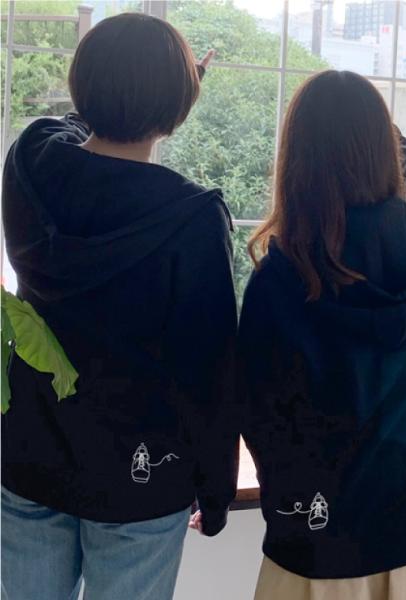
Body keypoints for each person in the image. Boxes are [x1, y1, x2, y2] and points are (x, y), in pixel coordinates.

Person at [1, 13, 238, 600]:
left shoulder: (29, 160)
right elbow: (208, 370)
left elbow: (70, 126)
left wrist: (138, 91)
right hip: (141, 475)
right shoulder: (193, 218)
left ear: (81, 84)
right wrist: (215, 490)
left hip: (28, 454)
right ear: (179, 106)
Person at [238, 70, 406, 600]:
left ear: (297, 162)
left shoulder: (280, 278)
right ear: (384, 150)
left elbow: (258, 411)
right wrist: (390, 136)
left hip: (319, 547)